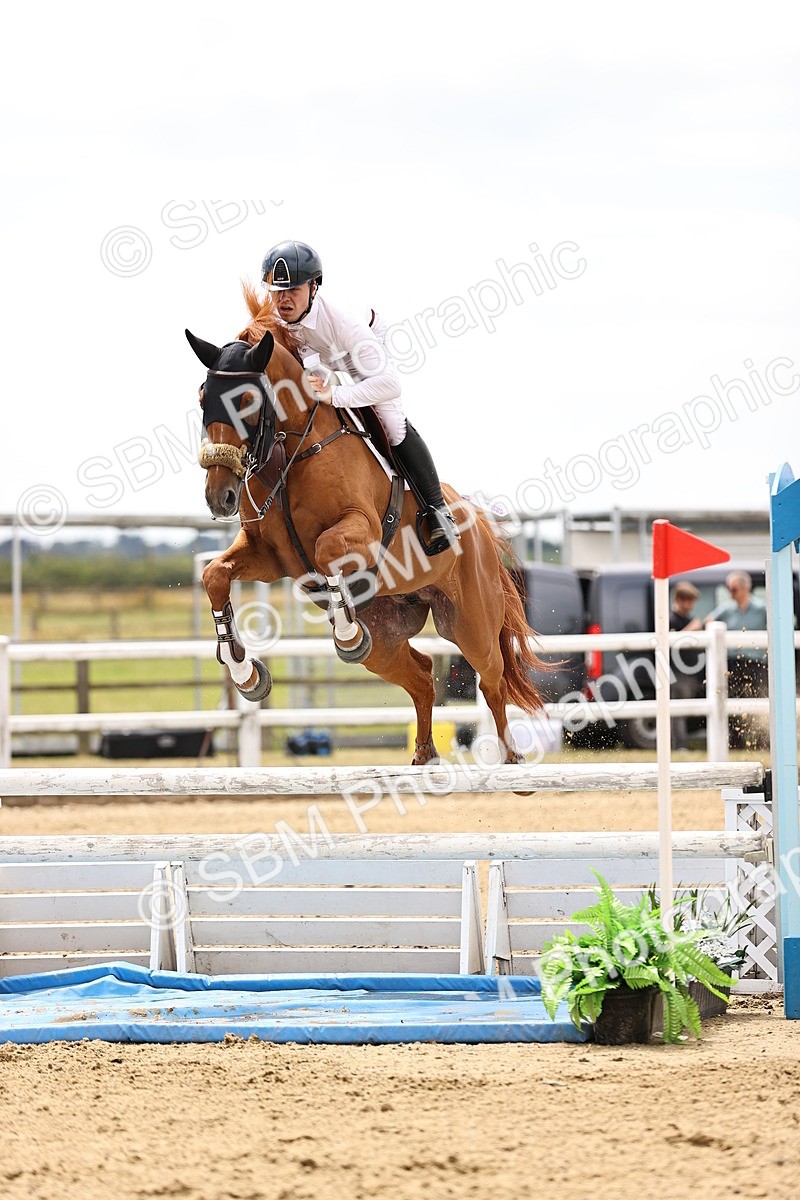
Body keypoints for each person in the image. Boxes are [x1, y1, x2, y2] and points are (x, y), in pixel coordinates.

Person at [260, 240, 459, 554]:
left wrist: (337, 395)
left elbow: (391, 384)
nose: (284, 300)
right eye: (277, 291)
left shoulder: (343, 324)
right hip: (322, 355)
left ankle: (439, 511)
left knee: (392, 424)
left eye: (293, 290)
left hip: (360, 350)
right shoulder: (276, 314)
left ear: (313, 288)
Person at [704, 570, 768, 746]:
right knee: (732, 698)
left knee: (759, 698)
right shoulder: (726, 608)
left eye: (733, 588)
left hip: (757, 663)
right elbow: (709, 621)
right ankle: (737, 740)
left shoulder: (762, 608)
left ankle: (762, 739)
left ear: (745, 588)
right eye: (728, 589)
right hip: (732, 662)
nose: (730, 593)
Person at [669, 581, 703, 751]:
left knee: (683, 709)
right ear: (679, 599)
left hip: (690, 672)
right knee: (678, 711)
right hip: (676, 672)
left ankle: (680, 744)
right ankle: (679, 745)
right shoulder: (669, 619)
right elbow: (673, 641)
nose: (691, 605)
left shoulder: (688, 619)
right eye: (688, 600)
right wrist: (693, 628)